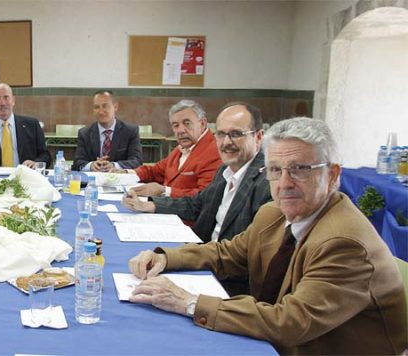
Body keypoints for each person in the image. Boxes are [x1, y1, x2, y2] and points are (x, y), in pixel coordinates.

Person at [127, 117, 407, 354]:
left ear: (333, 175)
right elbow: (228, 253)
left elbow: (290, 322)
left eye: (300, 170)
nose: (284, 183)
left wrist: (188, 301)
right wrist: (165, 256)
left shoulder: (345, 244)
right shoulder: (273, 213)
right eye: (275, 170)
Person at [122, 103, 271, 243]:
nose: (226, 142)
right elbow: (196, 204)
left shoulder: (267, 183)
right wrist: (146, 205)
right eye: (220, 134)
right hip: (202, 249)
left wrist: (177, 257)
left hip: (218, 263)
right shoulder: (225, 170)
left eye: (236, 134)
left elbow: (243, 251)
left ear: (258, 137)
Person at [120, 99, 221, 198]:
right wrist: (125, 173)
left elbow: (204, 196)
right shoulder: (182, 148)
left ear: (202, 124)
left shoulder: (215, 152)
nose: (180, 130)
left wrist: (165, 191)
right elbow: (155, 171)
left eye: (187, 123)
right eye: (176, 125)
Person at [71, 90, 142, 171]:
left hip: (120, 179)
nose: (101, 111)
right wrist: (91, 165)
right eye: (97, 107)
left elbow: (137, 161)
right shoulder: (84, 133)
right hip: (94, 180)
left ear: (115, 107)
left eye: (105, 106)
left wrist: (114, 165)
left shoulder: (130, 131)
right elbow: (77, 163)